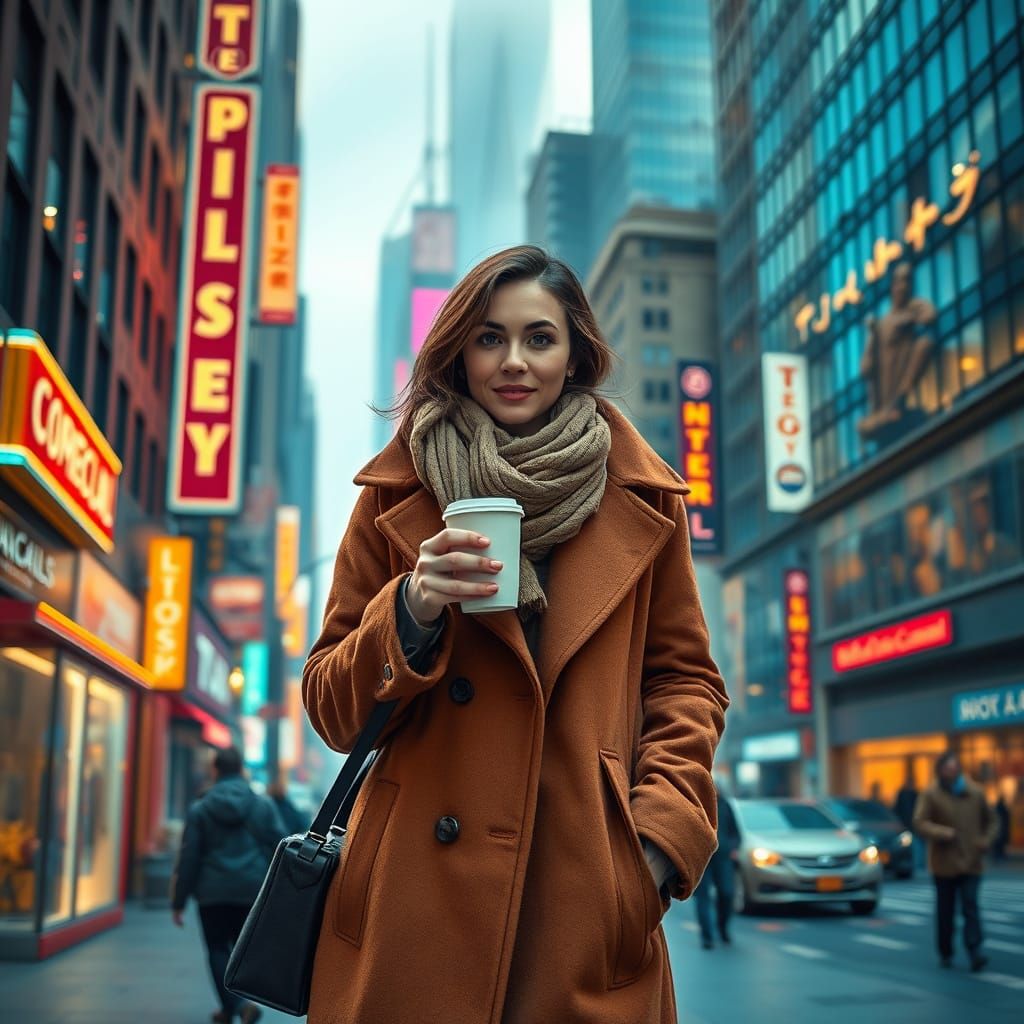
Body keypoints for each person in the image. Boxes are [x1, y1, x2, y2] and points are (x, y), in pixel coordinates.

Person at [302, 246, 728, 1024]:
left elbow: (685, 681)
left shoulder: (645, 499)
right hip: (412, 912)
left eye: (540, 338)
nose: (514, 361)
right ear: (459, 353)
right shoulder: (394, 496)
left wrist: (653, 849)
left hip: (581, 902)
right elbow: (331, 709)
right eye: (490, 338)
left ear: (575, 355)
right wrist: (412, 608)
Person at [171, 746, 284, 1024]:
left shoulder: (200, 809)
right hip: (252, 890)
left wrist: (179, 900)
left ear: (215, 770)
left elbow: (189, 856)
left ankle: (234, 1006)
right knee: (243, 953)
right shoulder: (262, 806)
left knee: (218, 949)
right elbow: (280, 845)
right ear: (241, 769)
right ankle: (236, 1006)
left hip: (212, 892)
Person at [913, 751, 999, 972]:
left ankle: (975, 950)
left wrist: (986, 840)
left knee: (971, 906)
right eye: (947, 768)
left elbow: (992, 820)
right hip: (944, 863)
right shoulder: (931, 794)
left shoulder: (975, 792)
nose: (951, 772)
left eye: (954, 767)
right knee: (946, 910)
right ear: (940, 770)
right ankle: (946, 951)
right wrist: (942, 833)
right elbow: (920, 822)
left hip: (972, 859)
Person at [694, 783, 740, 949]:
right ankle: (707, 936)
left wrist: (733, 848)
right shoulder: (695, 803)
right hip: (701, 857)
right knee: (703, 897)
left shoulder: (725, 805)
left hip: (723, 857)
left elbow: (735, 832)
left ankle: (722, 927)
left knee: (727, 893)